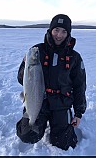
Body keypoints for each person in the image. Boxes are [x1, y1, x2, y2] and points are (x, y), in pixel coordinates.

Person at [16, 14, 87, 150]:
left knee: (64, 143)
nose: (59, 35)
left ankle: (63, 120)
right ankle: (34, 119)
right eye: (56, 30)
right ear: (50, 30)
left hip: (61, 103)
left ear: (68, 34)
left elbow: (80, 86)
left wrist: (79, 112)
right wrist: (25, 67)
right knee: (28, 135)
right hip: (39, 101)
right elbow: (21, 79)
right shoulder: (37, 51)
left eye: (63, 31)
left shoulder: (74, 57)